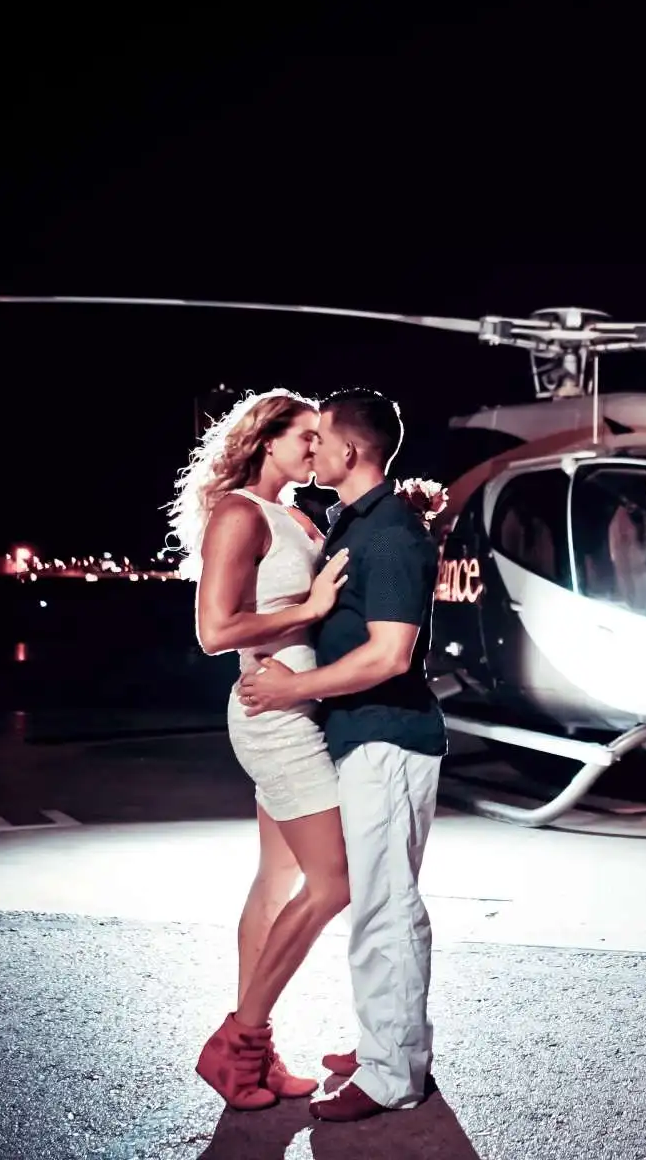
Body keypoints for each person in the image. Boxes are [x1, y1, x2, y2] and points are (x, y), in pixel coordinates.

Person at [239, 387, 448, 1125]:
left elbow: (389, 655)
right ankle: (387, 1047)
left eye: (320, 437)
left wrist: (297, 689)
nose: (312, 450)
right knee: (376, 900)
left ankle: (392, 1075)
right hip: (360, 738)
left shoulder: (389, 534)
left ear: (350, 452)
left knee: (385, 908)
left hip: (387, 737)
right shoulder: (360, 524)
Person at [165, 389, 354, 1112]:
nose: (316, 448)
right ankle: (236, 1043)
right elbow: (213, 630)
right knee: (334, 885)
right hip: (275, 719)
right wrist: (306, 611)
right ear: (268, 441)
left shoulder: (298, 516)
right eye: (306, 436)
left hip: (303, 708)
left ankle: (257, 1049)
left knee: (275, 884)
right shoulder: (240, 513)